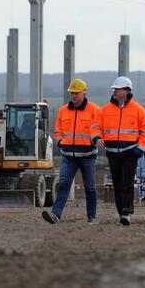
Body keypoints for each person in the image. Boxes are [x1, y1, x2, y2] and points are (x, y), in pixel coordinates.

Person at [42, 79, 102, 224]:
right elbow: (57, 131)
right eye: (72, 93)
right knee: (63, 185)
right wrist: (61, 141)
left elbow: (99, 129)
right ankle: (56, 215)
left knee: (90, 188)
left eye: (76, 93)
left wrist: (96, 140)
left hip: (88, 156)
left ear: (84, 93)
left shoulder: (95, 110)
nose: (73, 96)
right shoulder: (63, 110)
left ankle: (91, 217)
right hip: (68, 156)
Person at [95, 76, 145, 226]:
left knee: (127, 183)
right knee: (117, 184)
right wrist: (95, 138)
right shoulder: (105, 110)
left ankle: (126, 212)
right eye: (114, 89)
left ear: (126, 91)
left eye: (117, 89)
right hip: (112, 153)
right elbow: (95, 126)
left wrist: (139, 149)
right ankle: (122, 212)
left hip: (130, 153)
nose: (114, 91)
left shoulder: (139, 110)